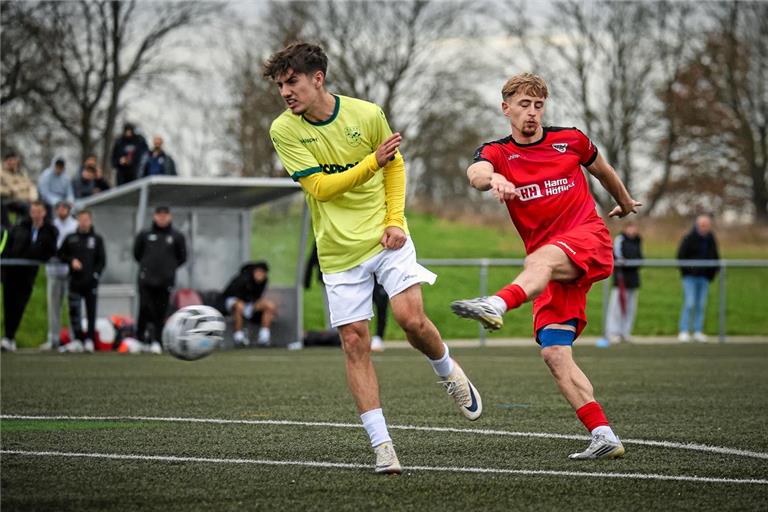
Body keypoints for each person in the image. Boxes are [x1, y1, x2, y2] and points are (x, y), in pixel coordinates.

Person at [264, 42, 482, 474]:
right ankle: (382, 445)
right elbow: (321, 190)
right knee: (354, 342)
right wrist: (370, 163)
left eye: (292, 82)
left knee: (411, 320)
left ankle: (448, 370)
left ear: (317, 78)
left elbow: (394, 167)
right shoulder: (283, 130)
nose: (286, 92)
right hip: (337, 250)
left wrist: (396, 219)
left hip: (386, 237)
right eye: (280, 85)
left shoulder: (366, 114)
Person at [450, 73, 641, 460]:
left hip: (587, 240)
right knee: (554, 354)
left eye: (538, 105)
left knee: (538, 258)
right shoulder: (498, 152)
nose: (532, 113)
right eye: (524, 105)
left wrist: (624, 200)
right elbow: (476, 173)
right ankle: (603, 434)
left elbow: (601, 169)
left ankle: (498, 304)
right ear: (506, 108)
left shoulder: (570, 140)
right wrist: (495, 180)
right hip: (548, 269)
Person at [1, 200, 58, 351]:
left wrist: (39, 234)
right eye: (33, 211)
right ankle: (8, 337)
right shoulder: (20, 227)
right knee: (8, 304)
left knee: (19, 304)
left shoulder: (49, 230)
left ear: (44, 213)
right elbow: (9, 245)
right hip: (11, 271)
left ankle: (10, 335)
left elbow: (46, 251)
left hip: (28, 273)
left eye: (38, 211)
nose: (35, 214)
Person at [133, 205, 187, 354]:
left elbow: (182, 257)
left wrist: (168, 269)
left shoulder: (177, 236)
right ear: (154, 216)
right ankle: (140, 339)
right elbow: (137, 254)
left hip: (165, 281)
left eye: (165, 215)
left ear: (169, 217)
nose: (162, 218)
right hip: (146, 280)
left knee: (160, 311)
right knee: (144, 308)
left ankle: (157, 340)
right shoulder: (145, 235)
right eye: (159, 215)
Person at [57, 209, 106, 353]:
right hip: (75, 281)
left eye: (86, 220)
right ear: (77, 220)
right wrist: (71, 260)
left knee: (91, 312)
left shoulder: (97, 239)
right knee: (74, 311)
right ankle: (78, 339)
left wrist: (95, 275)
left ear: (90, 221)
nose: (83, 222)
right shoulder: (71, 238)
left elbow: (102, 261)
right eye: (81, 219)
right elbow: (61, 254)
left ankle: (90, 340)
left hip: (91, 282)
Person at [40, 201, 79, 351]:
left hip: (70, 272)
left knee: (72, 307)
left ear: (69, 210)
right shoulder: (51, 225)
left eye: (64, 208)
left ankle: (73, 339)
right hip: (54, 270)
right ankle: (53, 338)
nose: (61, 211)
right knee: (53, 306)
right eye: (59, 208)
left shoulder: (74, 225)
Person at [677, 214, 720, 343]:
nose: (704, 227)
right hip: (690, 277)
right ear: (697, 225)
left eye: (706, 225)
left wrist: (712, 272)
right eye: (702, 225)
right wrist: (688, 270)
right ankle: (684, 330)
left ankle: (697, 331)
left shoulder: (711, 238)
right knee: (689, 303)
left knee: (701, 305)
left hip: (704, 277)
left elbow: (715, 256)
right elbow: (680, 256)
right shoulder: (689, 237)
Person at [222, 261, 276, 347]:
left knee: (270, 306)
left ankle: (264, 338)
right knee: (239, 306)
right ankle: (238, 337)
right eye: (258, 272)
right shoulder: (244, 278)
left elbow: (256, 296)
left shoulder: (264, 281)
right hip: (233, 300)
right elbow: (233, 293)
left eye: (263, 272)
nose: (260, 274)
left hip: (248, 303)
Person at [605, 221, 643, 344]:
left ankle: (625, 332)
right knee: (616, 307)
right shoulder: (620, 239)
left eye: (634, 228)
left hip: (633, 280)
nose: (632, 231)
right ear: (626, 228)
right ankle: (613, 333)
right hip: (621, 279)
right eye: (630, 228)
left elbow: (640, 258)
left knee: (630, 308)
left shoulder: (638, 240)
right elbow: (618, 258)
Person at [1, 151, 38, 228]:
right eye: (10, 161)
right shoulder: (1, 173)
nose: (13, 163)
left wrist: (33, 198)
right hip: (9, 199)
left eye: (14, 161)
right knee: (27, 208)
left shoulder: (22, 173)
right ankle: (18, 229)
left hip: (26, 199)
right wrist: (10, 190)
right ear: (5, 161)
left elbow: (31, 186)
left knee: (43, 207)